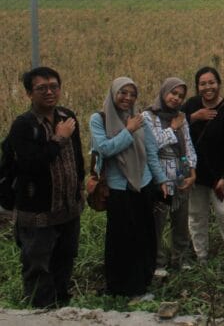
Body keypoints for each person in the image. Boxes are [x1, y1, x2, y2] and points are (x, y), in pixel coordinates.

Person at [2, 67, 84, 307]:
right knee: (38, 266)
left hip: (68, 210)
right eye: (42, 88)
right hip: (38, 214)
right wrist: (58, 138)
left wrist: (80, 185)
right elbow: (30, 165)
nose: (49, 92)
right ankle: (40, 311)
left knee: (65, 261)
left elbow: (77, 157)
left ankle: (62, 308)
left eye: (54, 87)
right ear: (29, 93)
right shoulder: (23, 126)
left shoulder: (67, 117)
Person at [90, 77, 168, 298]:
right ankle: (121, 287)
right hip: (118, 189)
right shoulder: (99, 119)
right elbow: (104, 149)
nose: (127, 98)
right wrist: (128, 131)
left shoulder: (139, 118)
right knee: (122, 239)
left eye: (132, 94)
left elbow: (151, 152)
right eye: (122, 93)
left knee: (144, 237)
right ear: (113, 93)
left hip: (142, 186)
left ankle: (141, 283)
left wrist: (161, 180)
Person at [183, 67, 224, 269]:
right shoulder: (191, 105)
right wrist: (194, 117)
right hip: (195, 175)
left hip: (222, 177)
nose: (208, 87)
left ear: (219, 84)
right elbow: (173, 127)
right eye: (203, 83)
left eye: (211, 82)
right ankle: (201, 256)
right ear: (197, 86)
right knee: (196, 216)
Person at [143, 78, 197, 276]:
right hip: (160, 178)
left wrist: (192, 172)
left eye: (181, 96)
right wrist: (172, 129)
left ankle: (180, 258)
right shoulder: (148, 117)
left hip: (181, 175)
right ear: (164, 92)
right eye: (173, 93)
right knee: (157, 222)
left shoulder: (181, 117)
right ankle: (157, 262)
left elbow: (189, 144)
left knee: (181, 222)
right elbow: (151, 145)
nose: (176, 98)